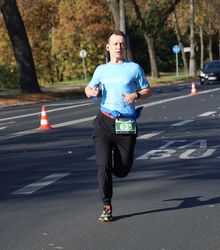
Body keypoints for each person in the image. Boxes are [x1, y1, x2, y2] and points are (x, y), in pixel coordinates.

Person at [85, 30, 152, 221]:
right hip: (104, 122)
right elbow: (88, 88)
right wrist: (91, 91)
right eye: (115, 44)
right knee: (103, 165)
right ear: (108, 47)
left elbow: (148, 90)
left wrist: (137, 95)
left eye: (122, 44)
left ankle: (118, 165)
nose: (118, 47)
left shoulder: (134, 68)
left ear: (125, 47)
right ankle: (107, 205)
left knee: (122, 169)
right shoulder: (101, 69)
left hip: (126, 123)